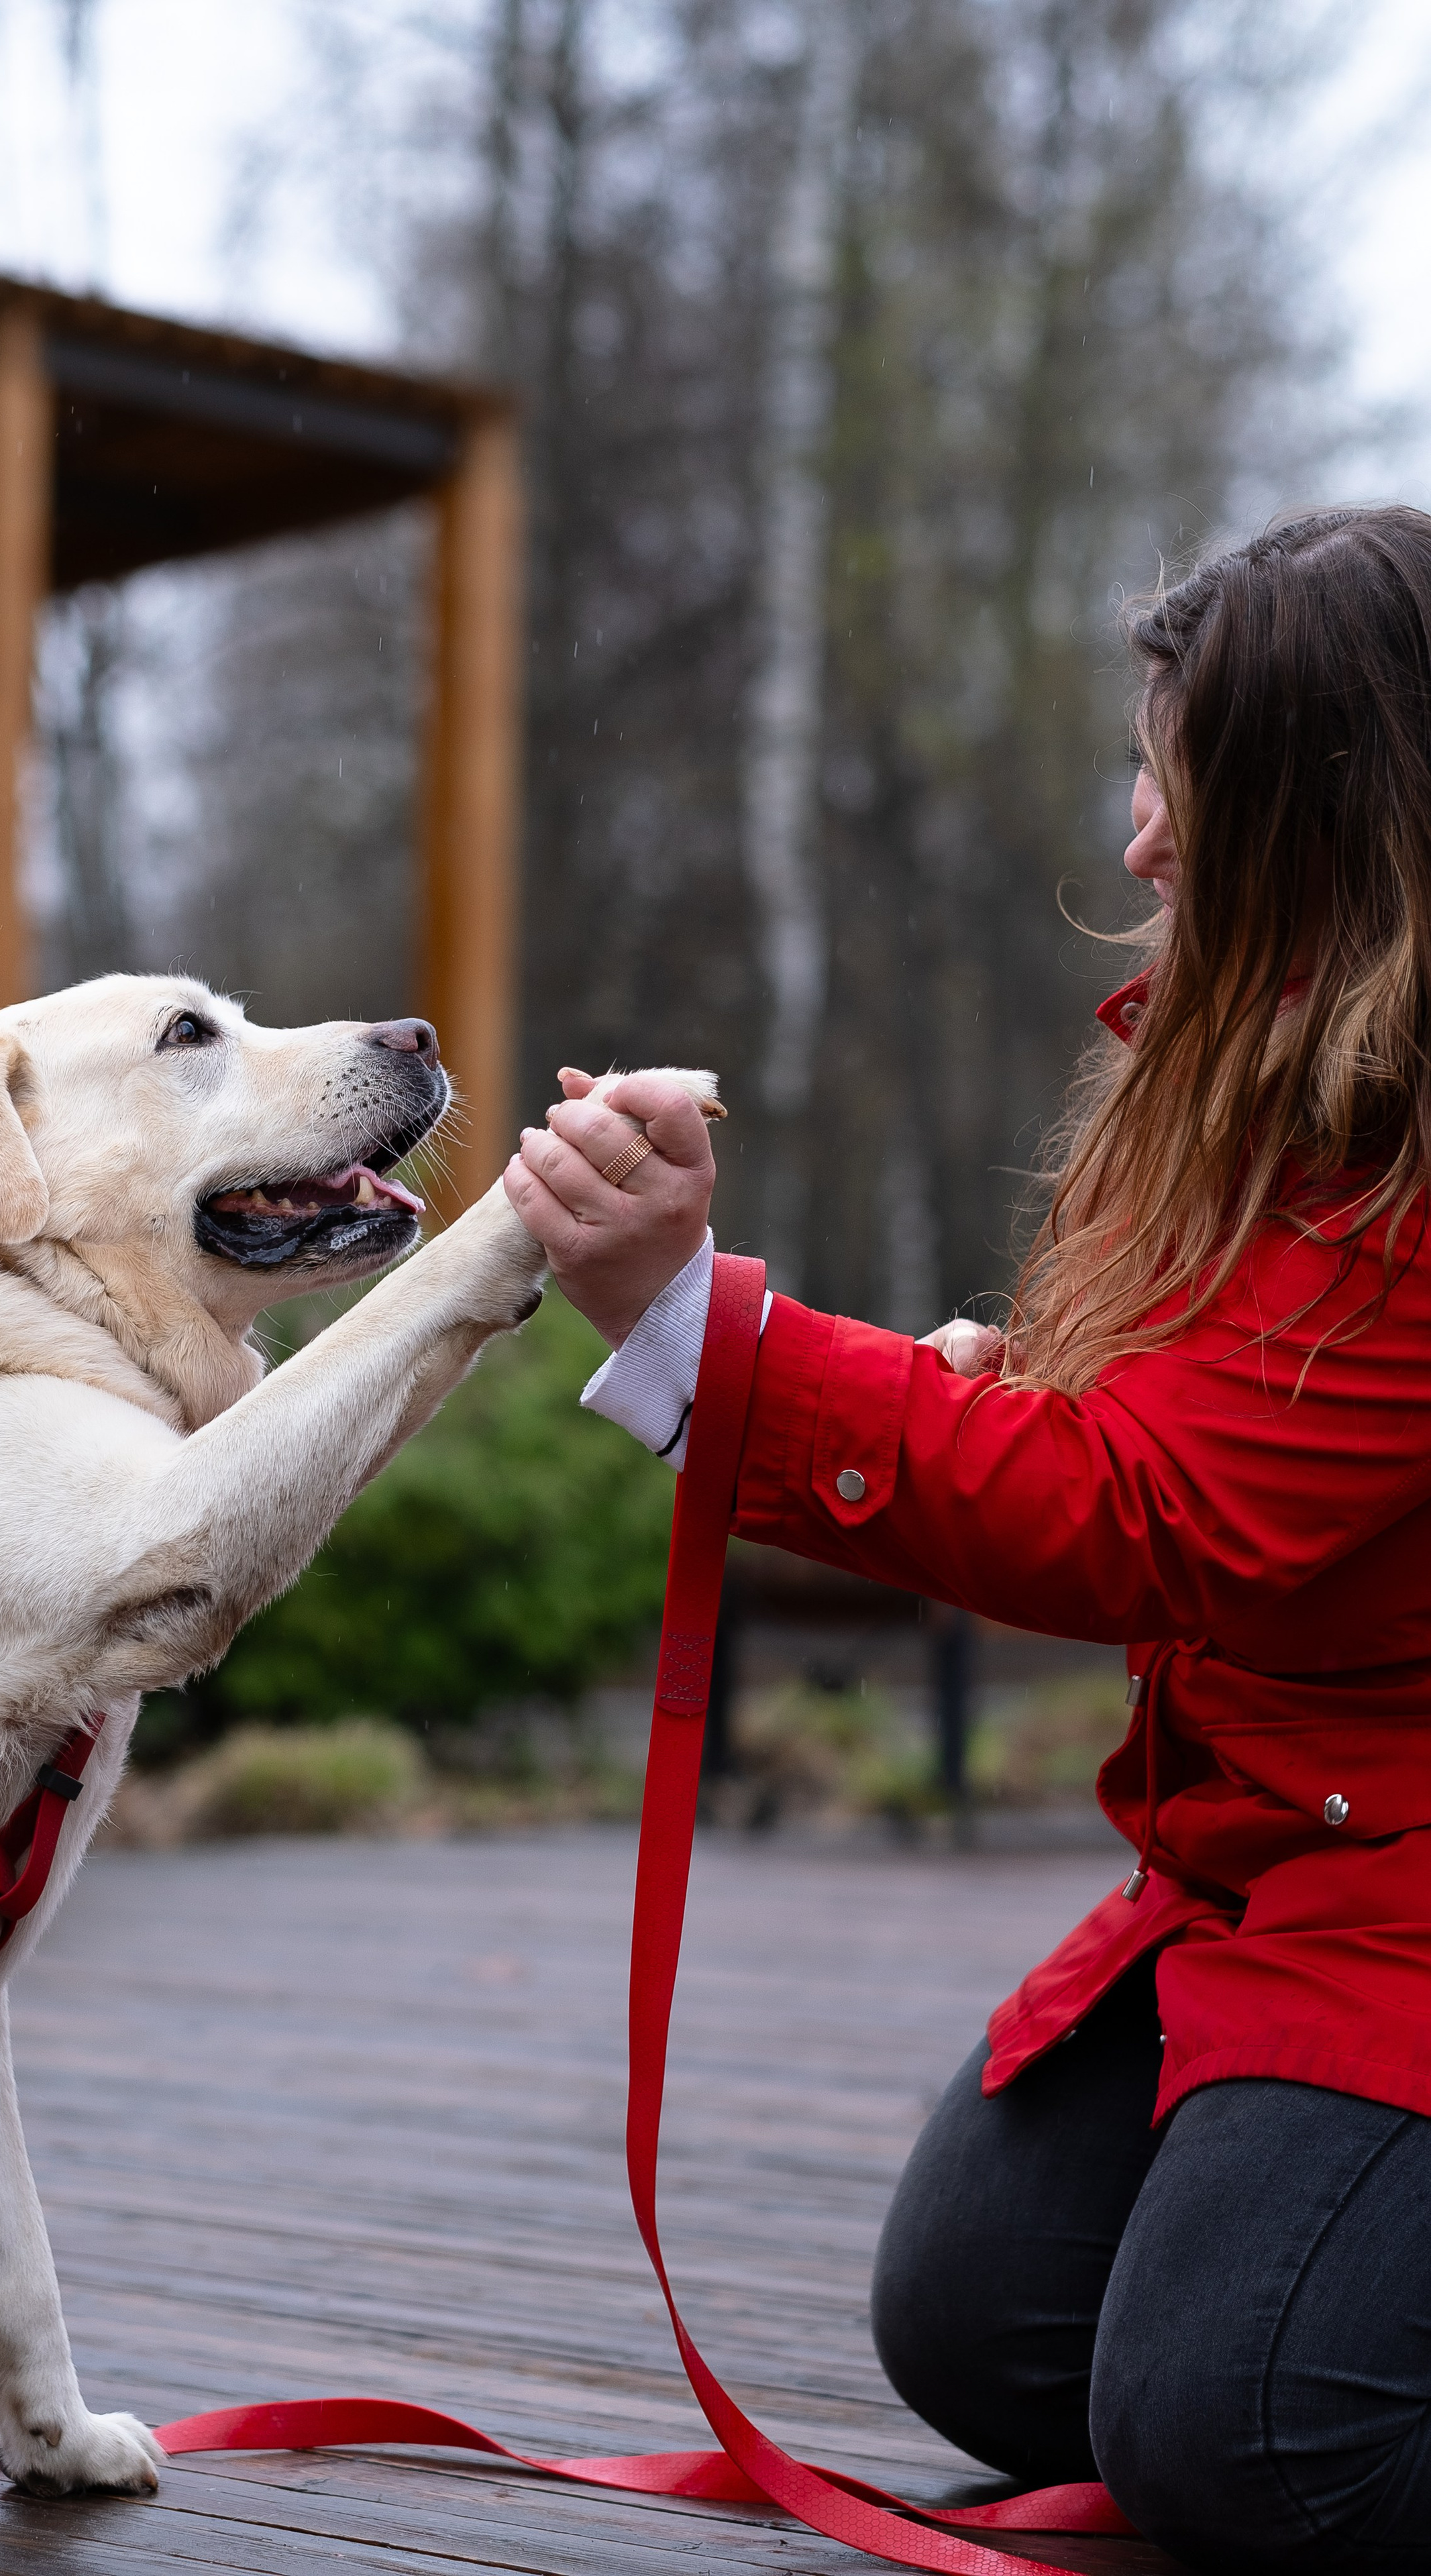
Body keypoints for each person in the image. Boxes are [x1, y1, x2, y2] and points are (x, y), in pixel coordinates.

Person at [503, 506, 1431, 2576]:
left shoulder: (1413, 1146)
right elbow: (1200, 1435)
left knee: (1253, 2444)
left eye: (1175, 780)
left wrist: (699, 1328)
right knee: (980, 2327)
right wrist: (999, 1387)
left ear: (1318, 809)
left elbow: (1157, 1516)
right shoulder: (1236, 1072)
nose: (1139, 841)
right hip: (1276, 1853)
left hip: (1405, 1872)